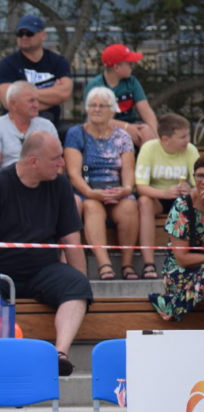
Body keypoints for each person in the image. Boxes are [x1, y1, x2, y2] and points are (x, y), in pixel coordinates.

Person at [0, 131, 89, 376]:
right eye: (56, 158)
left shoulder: (60, 185)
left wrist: (81, 280)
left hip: (43, 270)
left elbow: (71, 239)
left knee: (77, 285)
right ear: (33, 161)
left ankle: (59, 354)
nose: (62, 163)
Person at [64, 87, 138, 280]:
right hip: (88, 190)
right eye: (92, 105)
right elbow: (73, 173)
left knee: (130, 206)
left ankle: (127, 264)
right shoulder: (76, 133)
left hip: (116, 190)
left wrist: (126, 189)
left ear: (112, 110)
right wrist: (91, 192)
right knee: (91, 208)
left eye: (101, 106)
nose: (96, 109)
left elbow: (129, 171)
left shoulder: (122, 136)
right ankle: (104, 264)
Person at [136, 113, 198, 280]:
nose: (188, 140)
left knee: (197, 200)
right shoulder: (149, 148)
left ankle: (193, 257)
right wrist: (165, 193)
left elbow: (199, 184)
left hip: (182, 199)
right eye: (182, 136)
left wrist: (190, 189)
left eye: (188, 135)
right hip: (157, 196)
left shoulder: (190, 150)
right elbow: (141, 187)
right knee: (144, 202)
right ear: (165, 139)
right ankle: (149, 263)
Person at [150, 158, 204, 322]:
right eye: (200, 176)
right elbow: (182, 258)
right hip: (182, 272)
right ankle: (174, 303)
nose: (203, 181)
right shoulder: (182, 206)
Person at [0, 15, 72, 128]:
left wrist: (23, 97)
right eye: (20, 34)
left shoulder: (58, 62)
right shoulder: (7, 64)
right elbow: (9, 102)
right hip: (16, 128)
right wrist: (52, 95)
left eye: (29, 33)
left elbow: (64, 93)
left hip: (50, 127)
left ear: (43, 35)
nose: (24, 37)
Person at [85, 43, 157, 147]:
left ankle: (149, 161)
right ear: (116, 67)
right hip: (104, 126)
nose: (132, 66)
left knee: (146, 131)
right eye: (129, 64)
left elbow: (146, 111)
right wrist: (126, 127)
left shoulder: (131, 81)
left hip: (131, 123)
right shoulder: (96, 86)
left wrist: (155, 136)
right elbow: (94, 118)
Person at [0, 81, 57, 174]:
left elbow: (57, 163)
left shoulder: (47, 126)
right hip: (7, 184)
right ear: (13, 104)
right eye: (31, 100)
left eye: (37, 100)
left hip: (42, 182)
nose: (36, 105)